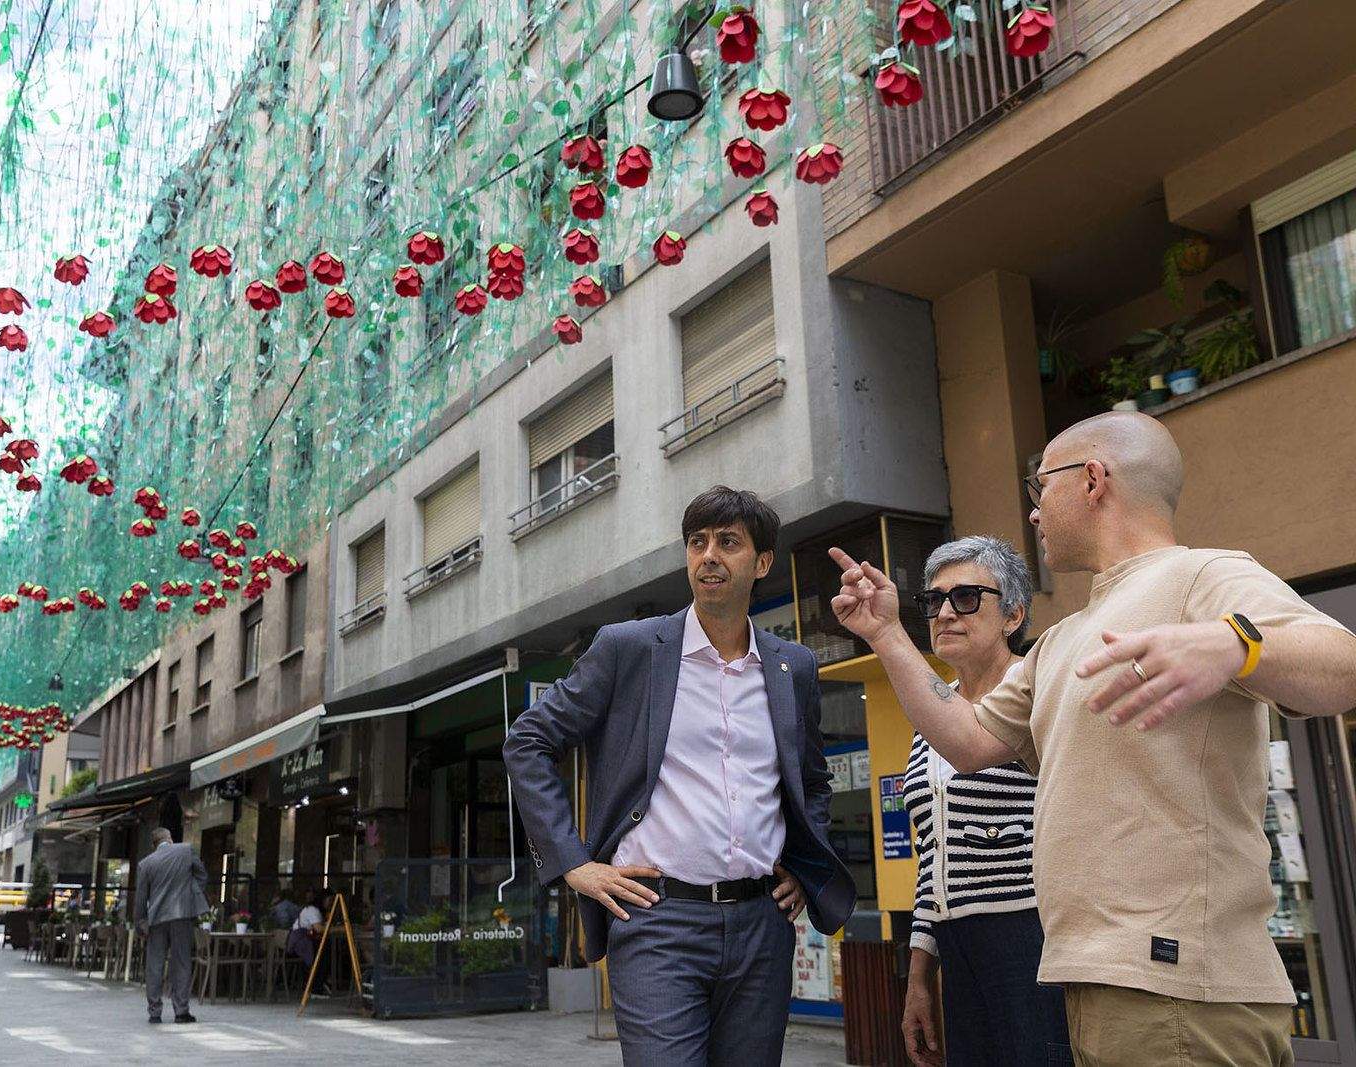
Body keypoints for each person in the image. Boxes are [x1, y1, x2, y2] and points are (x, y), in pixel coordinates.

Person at [830, 412, 1356, 1066]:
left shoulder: (1200, 576)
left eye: (1039, 488)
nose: (1033, 514)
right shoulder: (1057, 642)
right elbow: (963, 738)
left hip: (1177, 984)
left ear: (1093, 480)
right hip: (1098, 983)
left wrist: (1237, 643)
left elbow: (1343, 663)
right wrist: (886, 635)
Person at [505, 486, 855, 1065]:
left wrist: (799, 860)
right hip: (656, 923)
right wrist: (573, 863)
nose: (709, 555)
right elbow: (529, 740)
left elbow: (811, 781)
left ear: (762, 562)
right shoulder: (630, 649)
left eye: (728, 542)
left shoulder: (794, 667)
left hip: (762, 924)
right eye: (697, 542)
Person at [897, 536, 1069, 1067]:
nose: (945, 612)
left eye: (967, 598)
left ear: (1013, 614)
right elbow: (933, 857)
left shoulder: (1037, 691)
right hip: (956, 941)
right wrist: (920, 975)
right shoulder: (932, 719)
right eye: (933, 601)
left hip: (1033, 934)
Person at [134, 826, 208, 1024]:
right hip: (182, 916)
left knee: (155, 965)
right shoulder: (186, 850)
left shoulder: (146, 863)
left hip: (156, 919)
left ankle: (155, 1012)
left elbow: (140, 898)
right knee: (182, 962)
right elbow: (202, 876)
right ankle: (181, 1011)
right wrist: (190, 895)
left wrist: (140, 924)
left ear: (154, 844)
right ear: (170, 838)